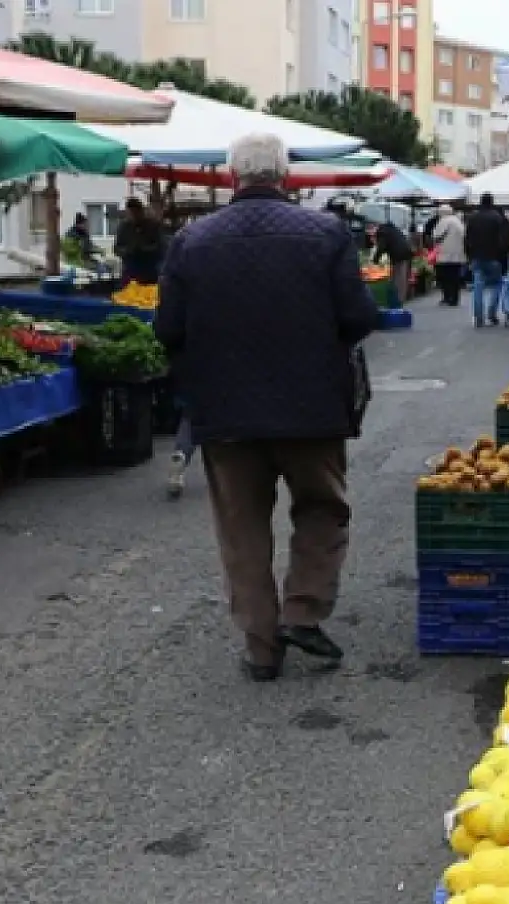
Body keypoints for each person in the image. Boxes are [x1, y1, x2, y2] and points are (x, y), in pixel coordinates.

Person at [153, 132, 379, 682]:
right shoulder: (327, 234)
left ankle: (261, 647)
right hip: (313, 408)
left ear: (232, 176)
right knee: (323, 508)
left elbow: (167, 328)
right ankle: (302, 610)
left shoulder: (192, 242)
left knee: (242, 528)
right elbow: (358, 317)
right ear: (286, 176)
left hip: (225, 411)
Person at [465, 194, 509, 327]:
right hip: (494, 257)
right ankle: (491, 314)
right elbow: (503, 241)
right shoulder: (498, 218)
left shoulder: (473, 218)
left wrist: (469, 256)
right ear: (492, 203)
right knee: (497, 284)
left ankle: (479, 317)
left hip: (476, 256)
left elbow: (467, 239)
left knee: (478, 287)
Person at [114, 197, 165, 284]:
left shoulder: (153, 226)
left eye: (136, 212)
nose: (134, 215)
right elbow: (117, 248)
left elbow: (161, 247)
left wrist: (144, 249)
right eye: (131, 213)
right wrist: (127, 251)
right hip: (130, 270)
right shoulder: (124, 227)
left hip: (149, 270)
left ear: (141, 211)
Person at [431, 204, 468, 307]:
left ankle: (447, 297)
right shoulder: (458, 221)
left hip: (445, 253)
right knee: (455, 277)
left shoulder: (444, 221)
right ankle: (455, 298)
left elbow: (436, 236)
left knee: (445, 277)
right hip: (457, 254)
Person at [371, 219, 414, 306]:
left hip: (400, 255)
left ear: (375, 228)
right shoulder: (391, 229)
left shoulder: (382, 232)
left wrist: (375, 259)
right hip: (405, 253)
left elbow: (381, 246)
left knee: (399, 277)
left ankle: (399, 299)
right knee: (400, 276)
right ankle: (399, 297)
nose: (371, 234)